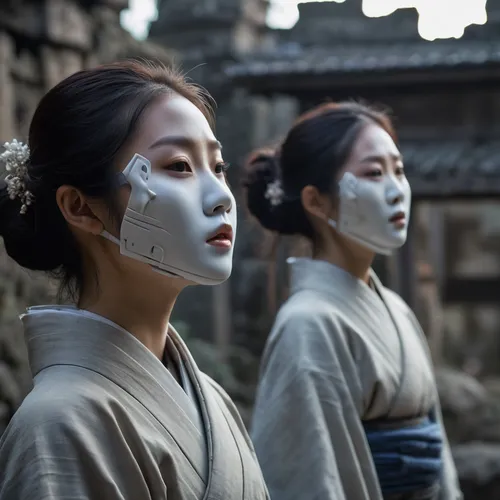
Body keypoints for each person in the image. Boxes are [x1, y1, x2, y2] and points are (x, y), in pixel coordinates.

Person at [0, 60, 269, 500]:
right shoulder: (58, 424)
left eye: (218, 167)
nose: (221, 197)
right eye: (180, 166)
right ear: (80, 207)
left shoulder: (211, 397)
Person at [243, 102, 462, 500]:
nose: (396, 190)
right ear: (316, 201)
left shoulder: (397, 308)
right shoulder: (307, 324)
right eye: (374, 174)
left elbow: (440, 457)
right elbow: (307, 477)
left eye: (399, 170)